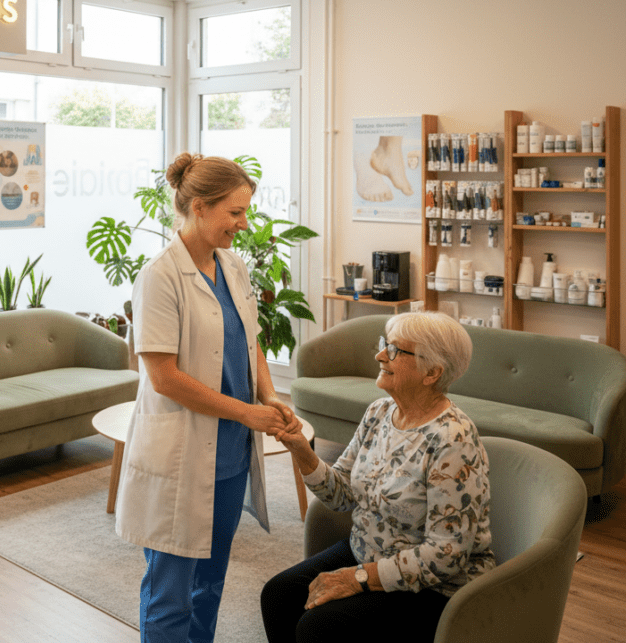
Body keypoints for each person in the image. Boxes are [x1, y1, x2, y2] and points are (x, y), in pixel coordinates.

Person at [115, 153, 296, 643]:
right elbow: (164, 378)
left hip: (231, 456)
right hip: (181, 455)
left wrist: (269, 395)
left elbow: (250, 341)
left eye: (245, 212)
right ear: (199, 207)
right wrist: (247, 413)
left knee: (210, 584)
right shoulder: (159, 276)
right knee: (170, 593)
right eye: (234, 212)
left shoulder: (232, 266)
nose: (244, 223)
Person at [261, 312, 496, 643]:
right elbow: (342, 495)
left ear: (432, 373)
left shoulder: (453, 440)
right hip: (369, 551)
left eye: (395, 350)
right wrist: (302, 450)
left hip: (435, 588)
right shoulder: (379, 412)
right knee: (279, 595)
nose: (380, 355)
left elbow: (446, 555)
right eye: (385, 344)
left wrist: (358, 578)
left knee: (318, 627)